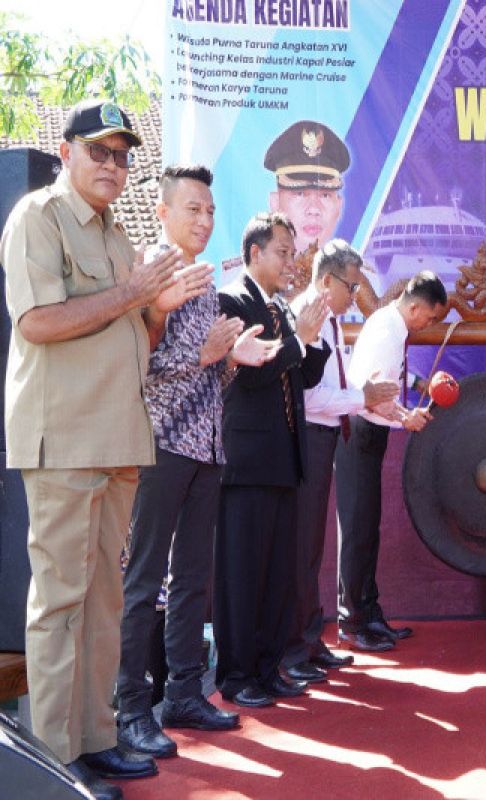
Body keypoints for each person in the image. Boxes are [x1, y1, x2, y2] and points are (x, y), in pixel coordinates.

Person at [2, 99, 210, 800]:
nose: (113, 166)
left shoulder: (121, 237)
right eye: (100, 151)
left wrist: (157, 310)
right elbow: (36, 322)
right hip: (63, 437)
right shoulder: (37, 217)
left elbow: (135, 341)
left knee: (105, 600)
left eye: (122, 156)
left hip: (120, 436)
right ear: (66, 153)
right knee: (61, 600)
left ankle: (96, 739)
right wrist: (133, 292)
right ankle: (58, 759)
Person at [117, 165, 281, 758]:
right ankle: (130, 708)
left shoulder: (206, 279)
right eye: (193, 209)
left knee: (190, 581)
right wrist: (207, 352)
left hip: (208, 447)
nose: (205, 220)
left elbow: (203, 367)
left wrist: (234, 357)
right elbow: (141, 363)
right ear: (163, 212)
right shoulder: (150, 271)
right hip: (160, 445)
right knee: (143, 582)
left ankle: (184, 692)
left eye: (210, 211)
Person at [214, 213, 331, 708]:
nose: (291, 260)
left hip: (284, 459)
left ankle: (268, 668)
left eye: (292, 251)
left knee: (277, 573)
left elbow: (299, 379)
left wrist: (314, 337)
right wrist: (297, 339)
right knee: (243, 573)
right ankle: (237, 675)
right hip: (247, 460)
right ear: (255, 252)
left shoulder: (280, 306)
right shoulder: (232, 298)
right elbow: (256, 373)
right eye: (283, 251)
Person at [282, 241, 401, 673]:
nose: (357, 296)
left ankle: (311, 642)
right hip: (308, 436)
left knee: (313, 549)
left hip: (327, 435)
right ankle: (294, 649)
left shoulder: (330, 320)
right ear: (327, 280)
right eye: (352, 286)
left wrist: (365, 395)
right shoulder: (305, 316)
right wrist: (361, 397)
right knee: (301, 549)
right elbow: (311, 397)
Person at [335, 271, 445, 650]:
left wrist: (419, 386)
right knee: (357, 530)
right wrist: (406, 417)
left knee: (368, 528)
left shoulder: (392, 326)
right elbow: (371, 390)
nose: (429, 325)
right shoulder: (386, 329)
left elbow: (393, 377)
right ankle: (352, 621)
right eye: (429, 318)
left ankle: (368, 612)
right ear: (414, 307)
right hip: (358, 430)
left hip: (370, 433)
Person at [266, 120, 350, 256]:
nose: (314, 209)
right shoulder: (242, 275)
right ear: (275, 203)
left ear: (339, 206)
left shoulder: (363, 276)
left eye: (325, 195)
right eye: (299, 193)